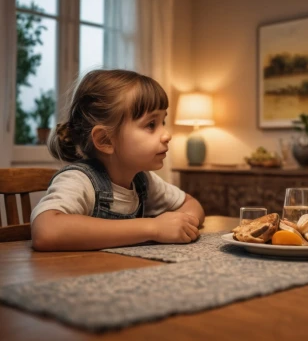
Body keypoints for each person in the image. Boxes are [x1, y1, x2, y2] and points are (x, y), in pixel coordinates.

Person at [31, 69, 205, 251]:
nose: (166, 135)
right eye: (151, 125)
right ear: (105, 140)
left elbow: (191, 203)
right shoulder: (79, 181)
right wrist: (153, 227)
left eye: (163, 122)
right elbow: (45, 231)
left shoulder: (143, 180)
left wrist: (182, 224)